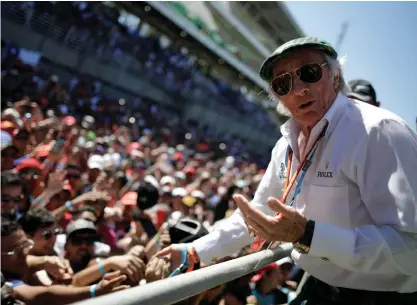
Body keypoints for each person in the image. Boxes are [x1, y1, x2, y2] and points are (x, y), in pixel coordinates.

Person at [155, 37, 417, 305]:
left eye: (309, 73)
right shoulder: (285, 145)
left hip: (382, 297)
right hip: (317, 282)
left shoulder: (379, 131)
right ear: (278, 97)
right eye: (283, 84)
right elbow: (258, 216)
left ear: (336, 77)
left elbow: (411, 248)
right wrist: (195, 250)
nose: (298, 90)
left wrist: (307, 235)